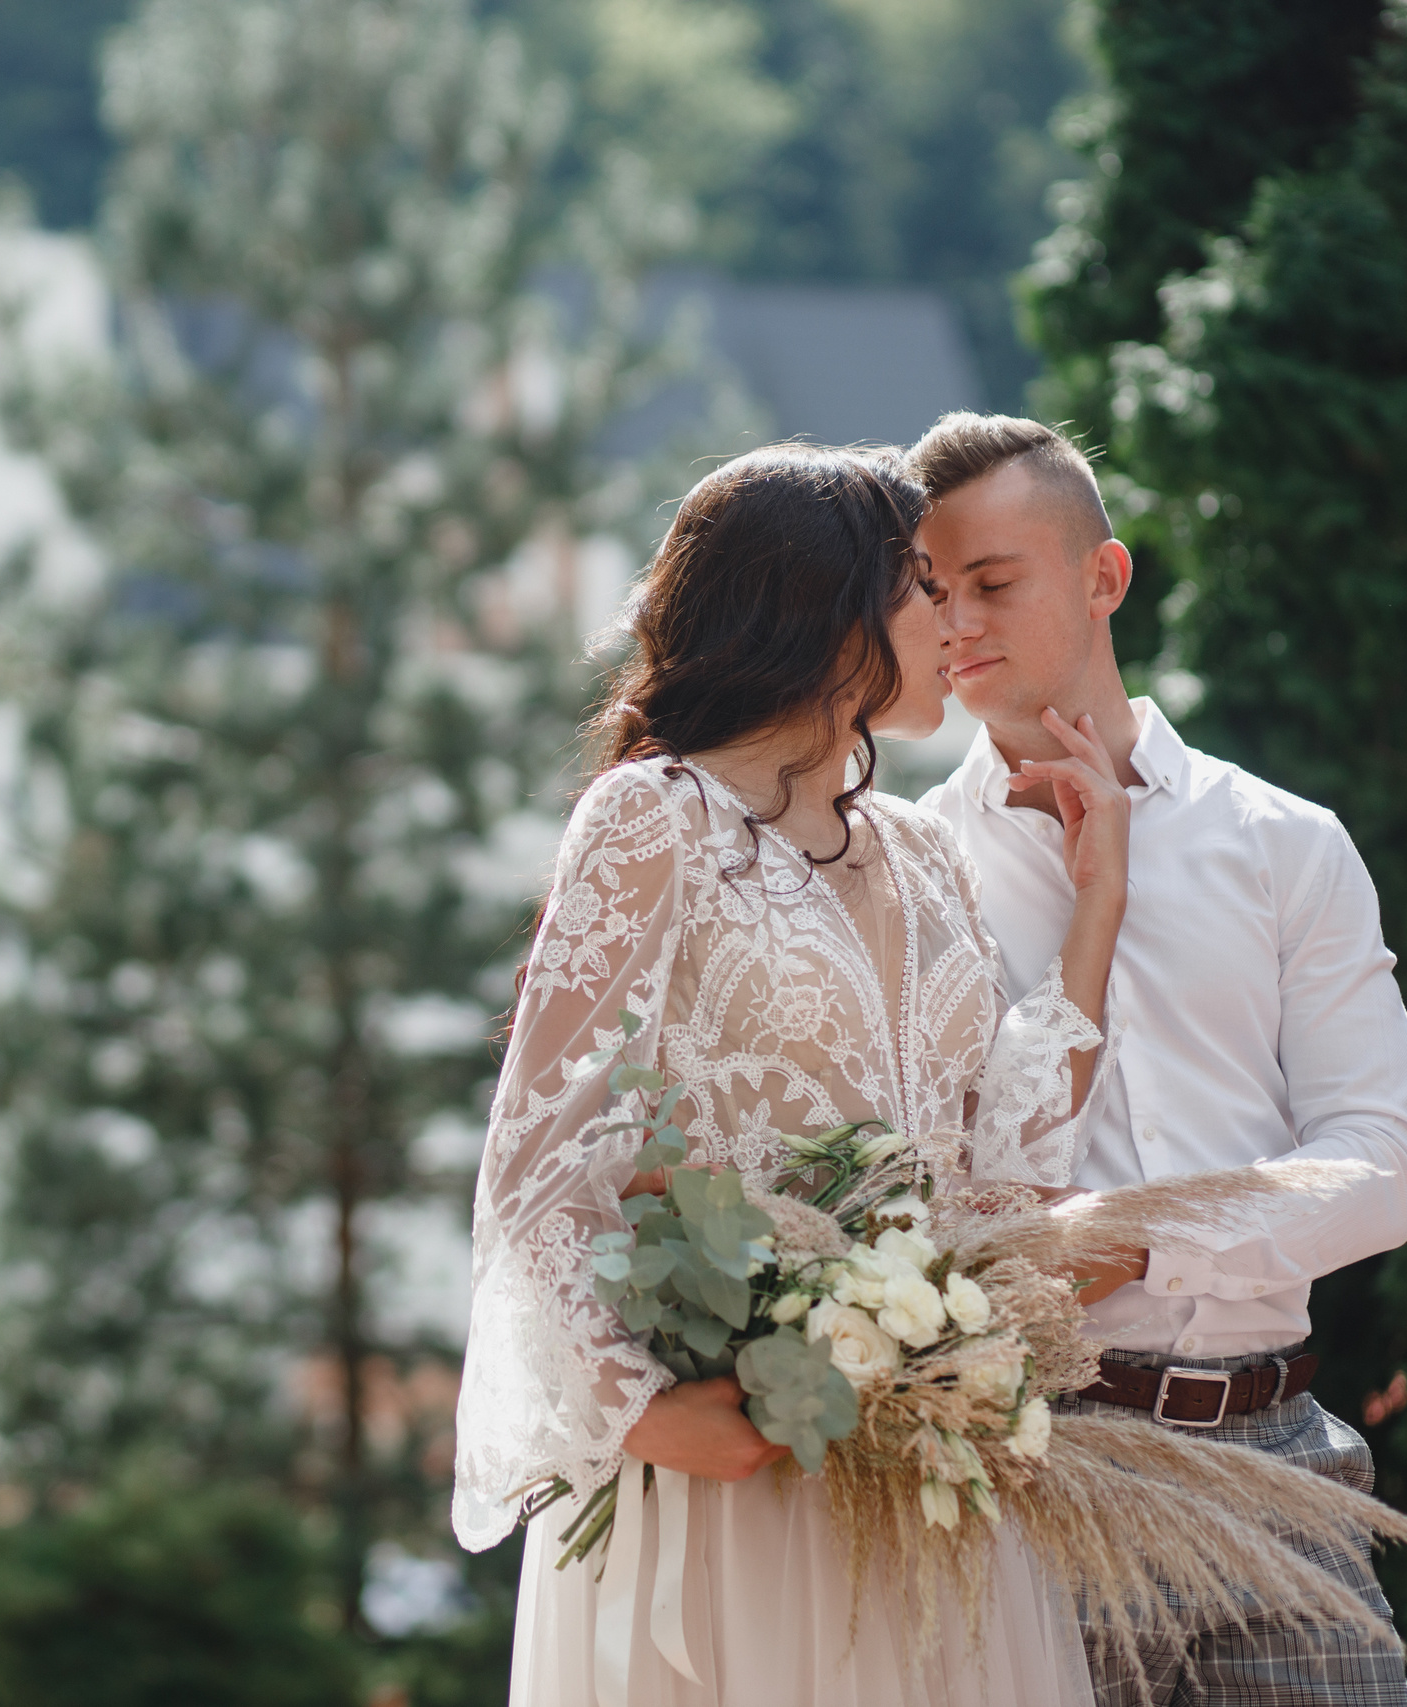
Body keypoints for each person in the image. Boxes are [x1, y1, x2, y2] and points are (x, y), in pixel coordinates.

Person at [454, 442, 1129, 1703]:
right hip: (731, 1475)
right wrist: (648, 1414)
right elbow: (542, 1165)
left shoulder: (925, 853)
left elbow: (1002, 1169)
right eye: (921, 586)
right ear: (822, 611)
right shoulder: (654, 818)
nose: (950, 622)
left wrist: (1098, 906)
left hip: (918, 1472)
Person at [908, 412, 1407, 1705]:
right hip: (1036, 1475)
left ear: (1104, 577)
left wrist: (1149, 1240)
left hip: (1280, 1468)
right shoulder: (907, 871)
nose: (958, 623)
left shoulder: (1287, 842)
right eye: (932, 592)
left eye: (991, 582)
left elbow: (1384, 1160)